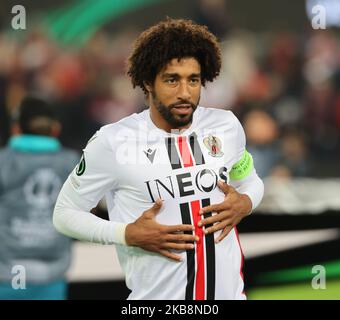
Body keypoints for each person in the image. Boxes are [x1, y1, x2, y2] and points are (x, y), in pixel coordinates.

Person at [53, 18, 264, 300]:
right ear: (146, 82)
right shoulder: (113, 142)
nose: (185, 93)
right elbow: (64, 214)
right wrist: (127, 233)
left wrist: (247, 202)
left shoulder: (225, 126)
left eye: (193, 80)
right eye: (171, 80)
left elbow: (249, 180)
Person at [0, 96, 79, 300]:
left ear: (16, 129)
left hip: (8, 275)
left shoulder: (4, 162)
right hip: (52, 276)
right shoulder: (73, 164)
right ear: (55, 129)